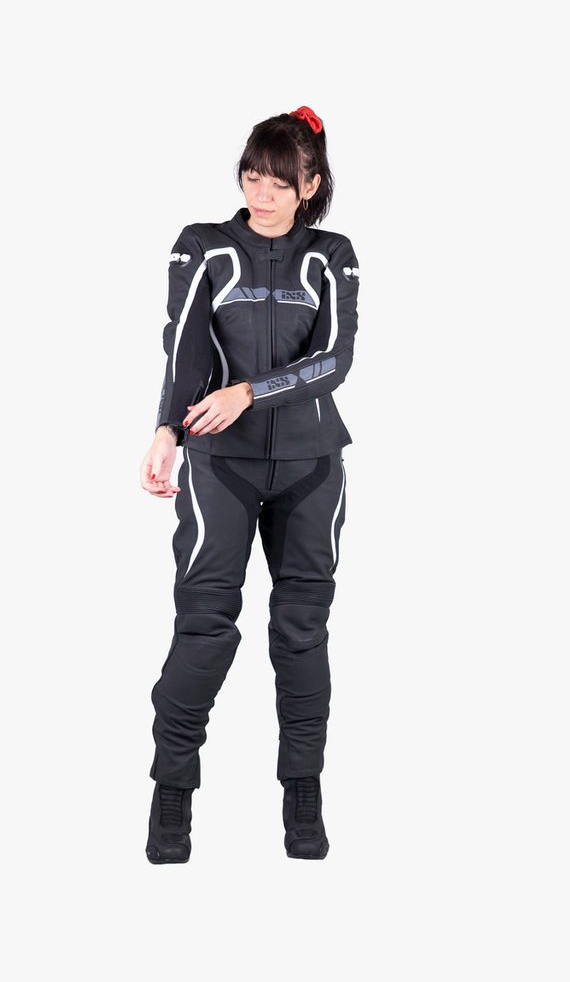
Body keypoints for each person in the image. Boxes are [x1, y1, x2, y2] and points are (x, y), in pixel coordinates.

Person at [140, 105, 360, 863]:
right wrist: (166, 430)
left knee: (301, 631)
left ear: (310, 186)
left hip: (311, 466)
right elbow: (183, 347)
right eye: (251, 177)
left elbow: (335, 360)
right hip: (219, 464)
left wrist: (250, 393)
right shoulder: (202, 246)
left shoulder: (331, 256)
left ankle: (303, 789)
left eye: (278, 182)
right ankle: (172, 789)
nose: (261, 194)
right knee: (204, 626)